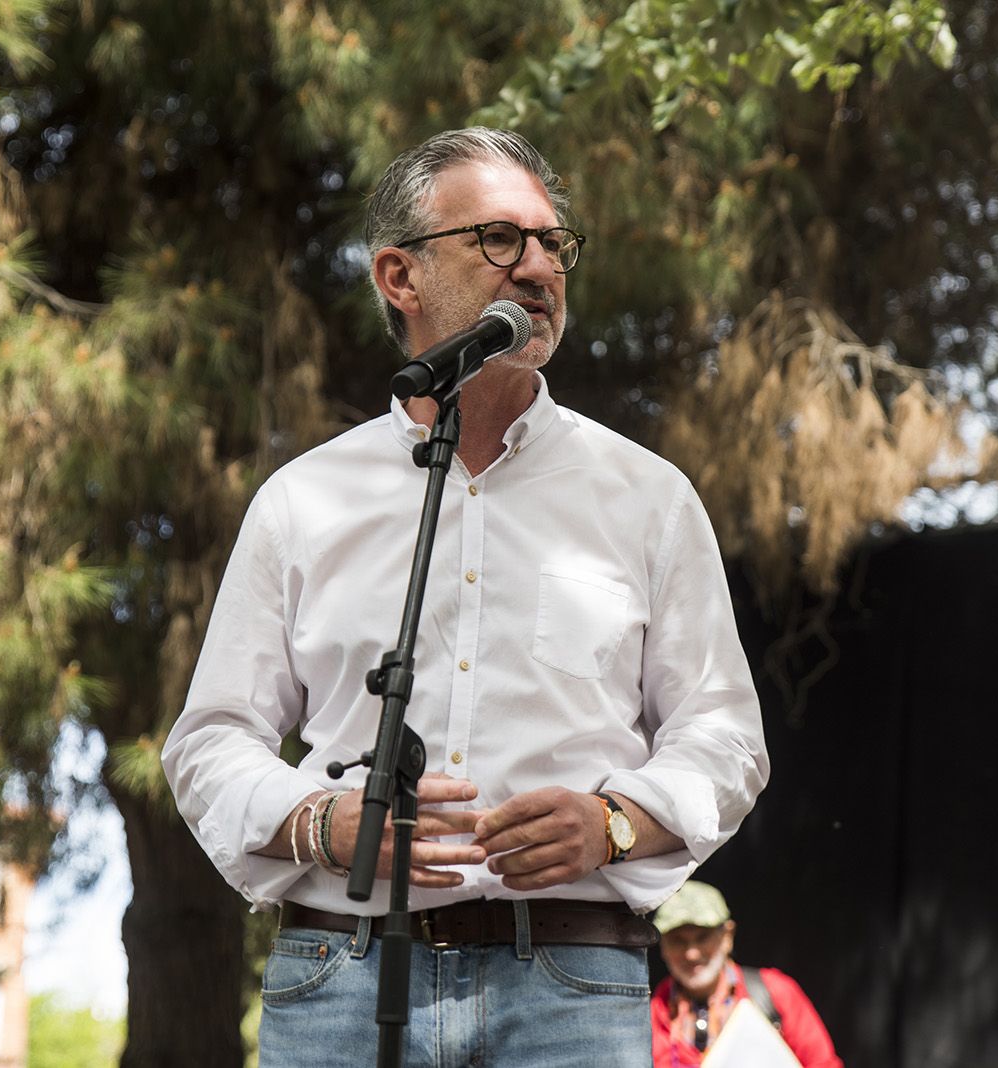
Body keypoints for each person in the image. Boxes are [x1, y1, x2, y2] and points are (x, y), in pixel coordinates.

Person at [161, 126, 769, 1066]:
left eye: (552, 244)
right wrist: (321, 823)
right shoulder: (303, 500)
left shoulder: (646, 496)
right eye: (499, 240)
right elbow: (209, 743)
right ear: (398, 277)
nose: (537, 268)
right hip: (338, 976)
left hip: (571, 981)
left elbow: (725, 736)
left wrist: (613, 824)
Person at [651, 881, 842, 1068]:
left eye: (703, 937)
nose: (691, 953)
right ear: (662, 946)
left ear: (727, 937)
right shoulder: (651, 1013)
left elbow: (823, 1063)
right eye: (677, 941)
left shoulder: (774, 992)